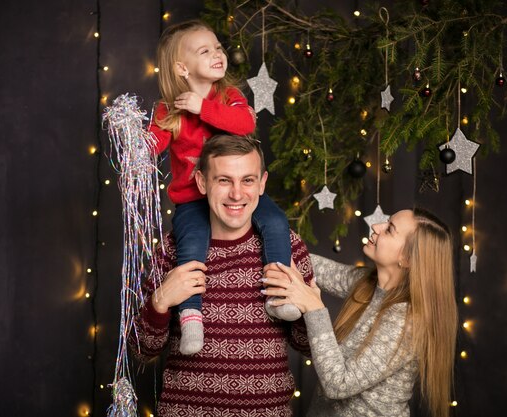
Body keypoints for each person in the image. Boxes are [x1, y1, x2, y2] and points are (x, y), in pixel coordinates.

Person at [129, 134, 313, 416]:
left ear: (262, 183)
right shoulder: (172, 248)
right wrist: (160, 301)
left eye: (247, 180)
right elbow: (142, 350)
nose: (237, 194)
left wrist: (307, 307)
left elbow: (307, 347)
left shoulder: (289, 248)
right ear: (202, 182)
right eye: (224, 180)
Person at [150, 19, 298, 355]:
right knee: (191, 248)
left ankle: (278, 293)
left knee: (275, 223)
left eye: (218, 47)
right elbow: (152, 146)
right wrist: (133, 139)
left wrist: (203, 107)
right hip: (191, 200)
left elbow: (244, 123)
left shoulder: (228, 96)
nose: (218, 54)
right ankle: (190, 316)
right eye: (206, 51)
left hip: (234, 197)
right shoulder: (168, 108)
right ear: (181, 67)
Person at [261, 207, 458, 417]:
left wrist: (314, 307)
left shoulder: (406, 322)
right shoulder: (368, 283)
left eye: (389, 229)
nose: (376, 226)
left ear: (407, 258)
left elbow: (338, 385)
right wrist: (271, 232)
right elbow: (309, 264)